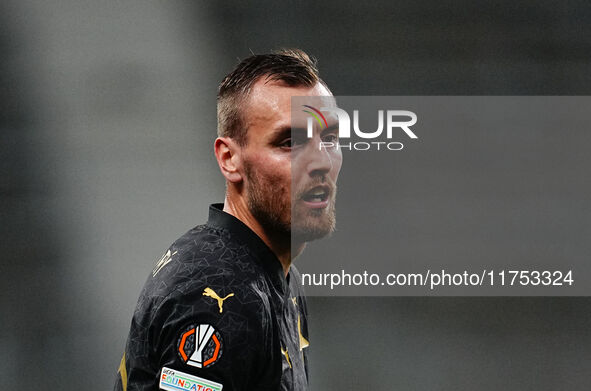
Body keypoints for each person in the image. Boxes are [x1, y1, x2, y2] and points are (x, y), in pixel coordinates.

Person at [114, 49, 342, 391]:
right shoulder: (218, 294)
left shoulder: (277, 276)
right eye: (290, 142)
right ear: (229, 158)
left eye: (330, 138)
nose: (321, 161)